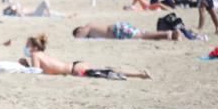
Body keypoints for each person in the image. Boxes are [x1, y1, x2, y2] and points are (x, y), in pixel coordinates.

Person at [19, 34, 151, 79]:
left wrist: (25, 65)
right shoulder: (40, 54)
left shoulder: (35, 54)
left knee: (109, 72)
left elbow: (35, 72)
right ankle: (139, 74)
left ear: (35, 47)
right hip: (75, 66)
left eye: (28, 45)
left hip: (76, 70)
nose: (26, 48)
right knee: (108, 70)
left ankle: (139, 74)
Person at [72, 22, 180, 41]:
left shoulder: (88, 26)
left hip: (117, 31)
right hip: (118, 28)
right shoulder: (91, 29)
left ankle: (168, 33)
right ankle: (168, 34)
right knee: (142, 34)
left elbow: (78, 38)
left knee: (142, 35)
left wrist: (77, 34)